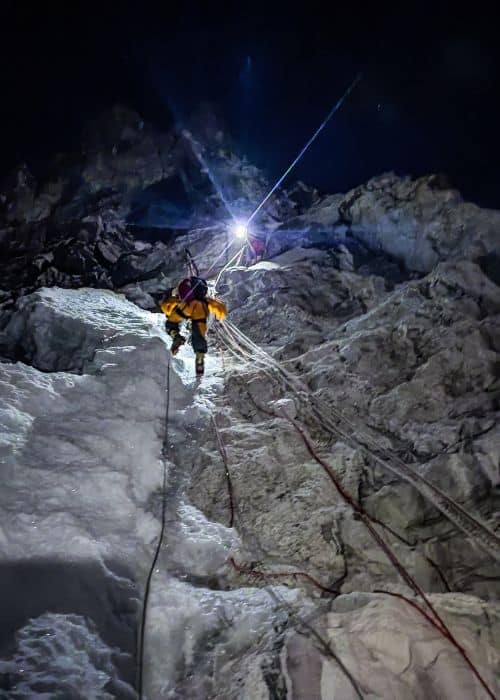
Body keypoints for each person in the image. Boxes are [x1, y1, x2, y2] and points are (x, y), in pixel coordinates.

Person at [159, 277, 227, 376]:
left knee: (171, 323)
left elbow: (174, 300)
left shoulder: (184, 285)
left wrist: (170, 309)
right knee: (198, 334)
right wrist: (220, 313)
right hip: (200, 309)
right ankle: (200, 358)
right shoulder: (204, 299)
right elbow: (218, 307)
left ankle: (176, 336)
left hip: (186, 306)